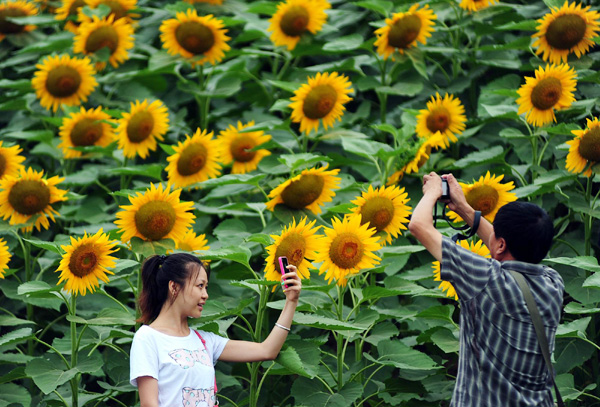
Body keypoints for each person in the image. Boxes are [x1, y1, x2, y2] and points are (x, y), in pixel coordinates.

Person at [408, 172, 564, 407]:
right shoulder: (553, 283)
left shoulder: (486, 278)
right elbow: (502, 243)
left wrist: (432, 193)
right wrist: (463, 208)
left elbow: (418, 225)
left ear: (501, 244)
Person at [130, 253, 301, 407]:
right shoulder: (147, 338)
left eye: (206, 287)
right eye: (200, 286)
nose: (205, 294)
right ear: (174, 287)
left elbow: (267, 350)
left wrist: (291, 302)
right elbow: (149, 404)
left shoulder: (205, 341)